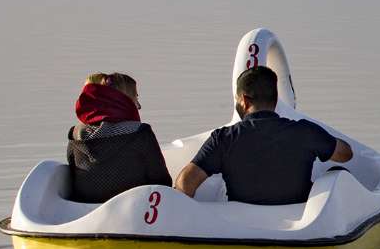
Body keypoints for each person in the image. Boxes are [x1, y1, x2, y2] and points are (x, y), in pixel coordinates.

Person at [174, 65, 353, 205]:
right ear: (275, 99)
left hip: (242, 225)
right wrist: (321, 139)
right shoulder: (305, 131)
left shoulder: (223, 139)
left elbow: (185, 182)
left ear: (244, 100)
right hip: (301, 226)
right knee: (338, 172)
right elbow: (345, 154)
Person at [67, 72, 172, 203]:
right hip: (134, 209)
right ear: (123, 100)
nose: (138, 106)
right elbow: (162, 182)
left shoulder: (75, 134)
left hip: (85, 210)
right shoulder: (140, 133)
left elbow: (72, 179)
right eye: (135, 98)